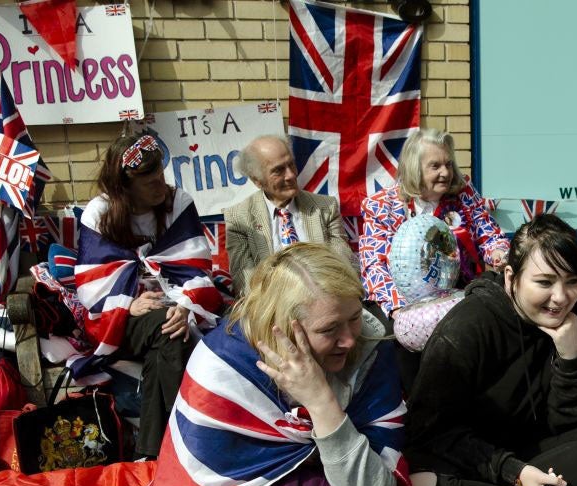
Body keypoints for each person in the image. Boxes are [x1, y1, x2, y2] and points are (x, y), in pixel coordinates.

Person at [113, 243, 414, 486]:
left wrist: (320, 402)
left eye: (355, 318)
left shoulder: (370, 347)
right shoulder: (223, 363)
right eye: (329, 330)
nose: (349, 340)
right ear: (283, 328)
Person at [405, 214, 577, 486]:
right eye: (545, 282)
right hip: (475, 464)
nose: (561, 297)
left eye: (573, 280)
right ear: (511, 277)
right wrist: (514, 471)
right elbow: (430, 434)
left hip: (545, 456)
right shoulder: (467, 328)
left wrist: (571, 358)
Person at [73, 133, 223, 459]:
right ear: (124, 185)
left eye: (161, 176)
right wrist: (129, 304)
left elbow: (195, 266)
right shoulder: (100, 212)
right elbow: (91, 284)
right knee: (169, 333)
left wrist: (186, 306)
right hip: (119, 317)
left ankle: (155, 452)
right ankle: (190, 443)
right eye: (149, 181)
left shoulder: (176, 202)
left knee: (170, 335)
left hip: (175, 307)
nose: (161, 186)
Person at [359, 128, 509, 319]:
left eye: (448, 164)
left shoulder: (464, 193)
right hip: (403, 304)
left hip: (459, 299)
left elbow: (490, 235)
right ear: (414, 168)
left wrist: (498, 253)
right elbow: (373, 266)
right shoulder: (381, 206)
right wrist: (400, 310)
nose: (445, 173)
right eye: (435, 166)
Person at [224, 135, 354, 296]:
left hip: (326, 297)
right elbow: (245, 282)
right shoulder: (239, 218)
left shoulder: (325, 207)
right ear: (257, 180)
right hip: (272, 305)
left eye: (291, 164)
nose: (291, 175)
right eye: (278, 170)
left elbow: (342, 266)